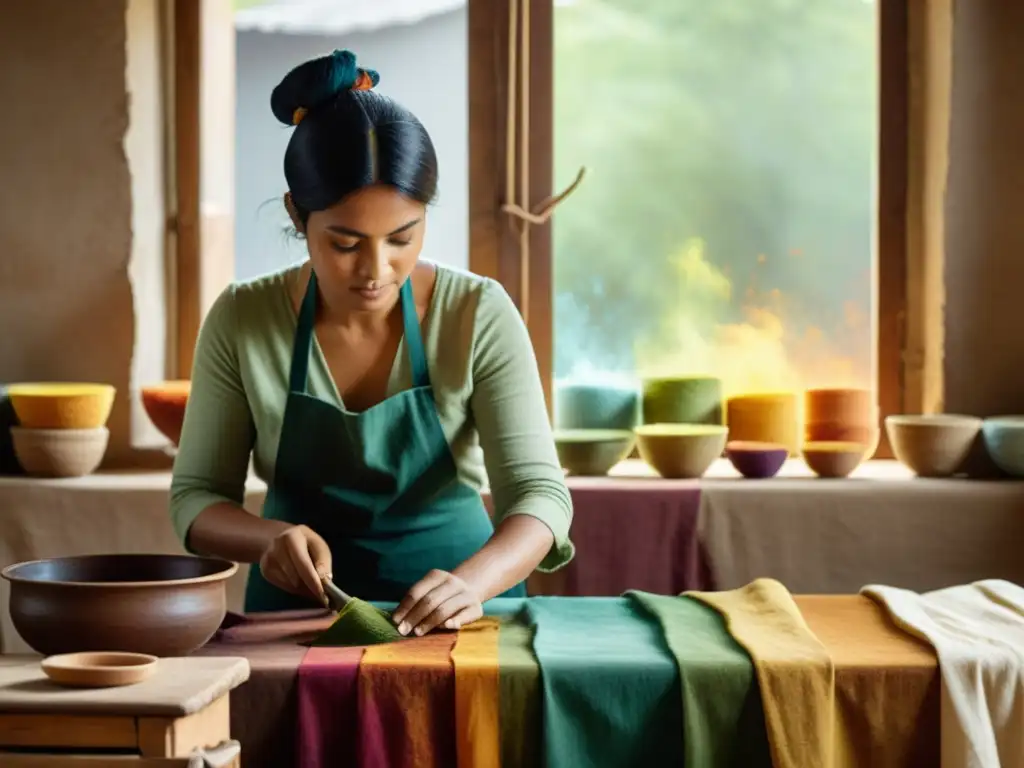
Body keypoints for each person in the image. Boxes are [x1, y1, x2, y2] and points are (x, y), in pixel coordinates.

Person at [169, 50, 573, 638]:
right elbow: (196, 498)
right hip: (295, 626)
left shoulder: (477, 313)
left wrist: (474, 583)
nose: (376, 270)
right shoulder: (242, 319)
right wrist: (269, 539)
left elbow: (540, 496)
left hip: (461, 624)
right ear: (297, 214)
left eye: (402, 238)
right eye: (345, 242)